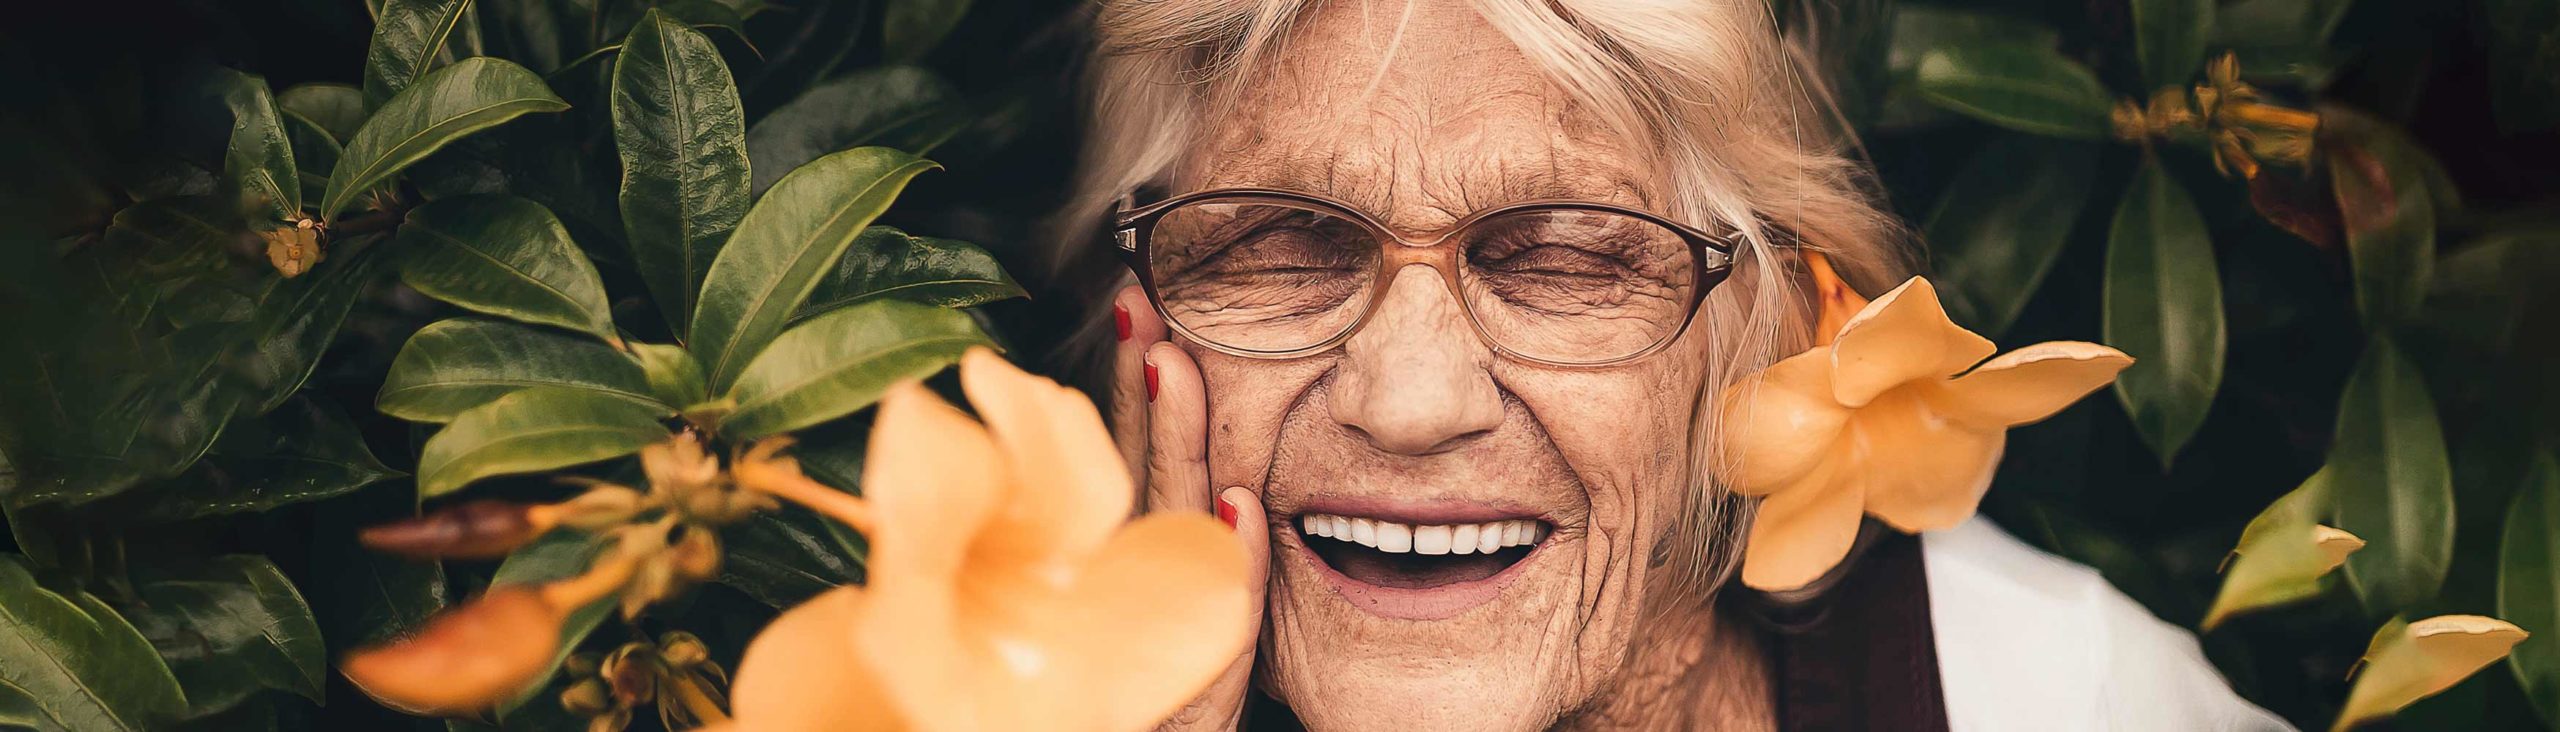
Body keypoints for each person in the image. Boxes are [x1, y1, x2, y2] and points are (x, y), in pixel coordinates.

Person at [1049, 1, 2294, 729]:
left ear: (1752, 331)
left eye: (1565, 259)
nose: (1409, 401)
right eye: (1282, 246)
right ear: (1140, 317)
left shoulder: (2054, 699)